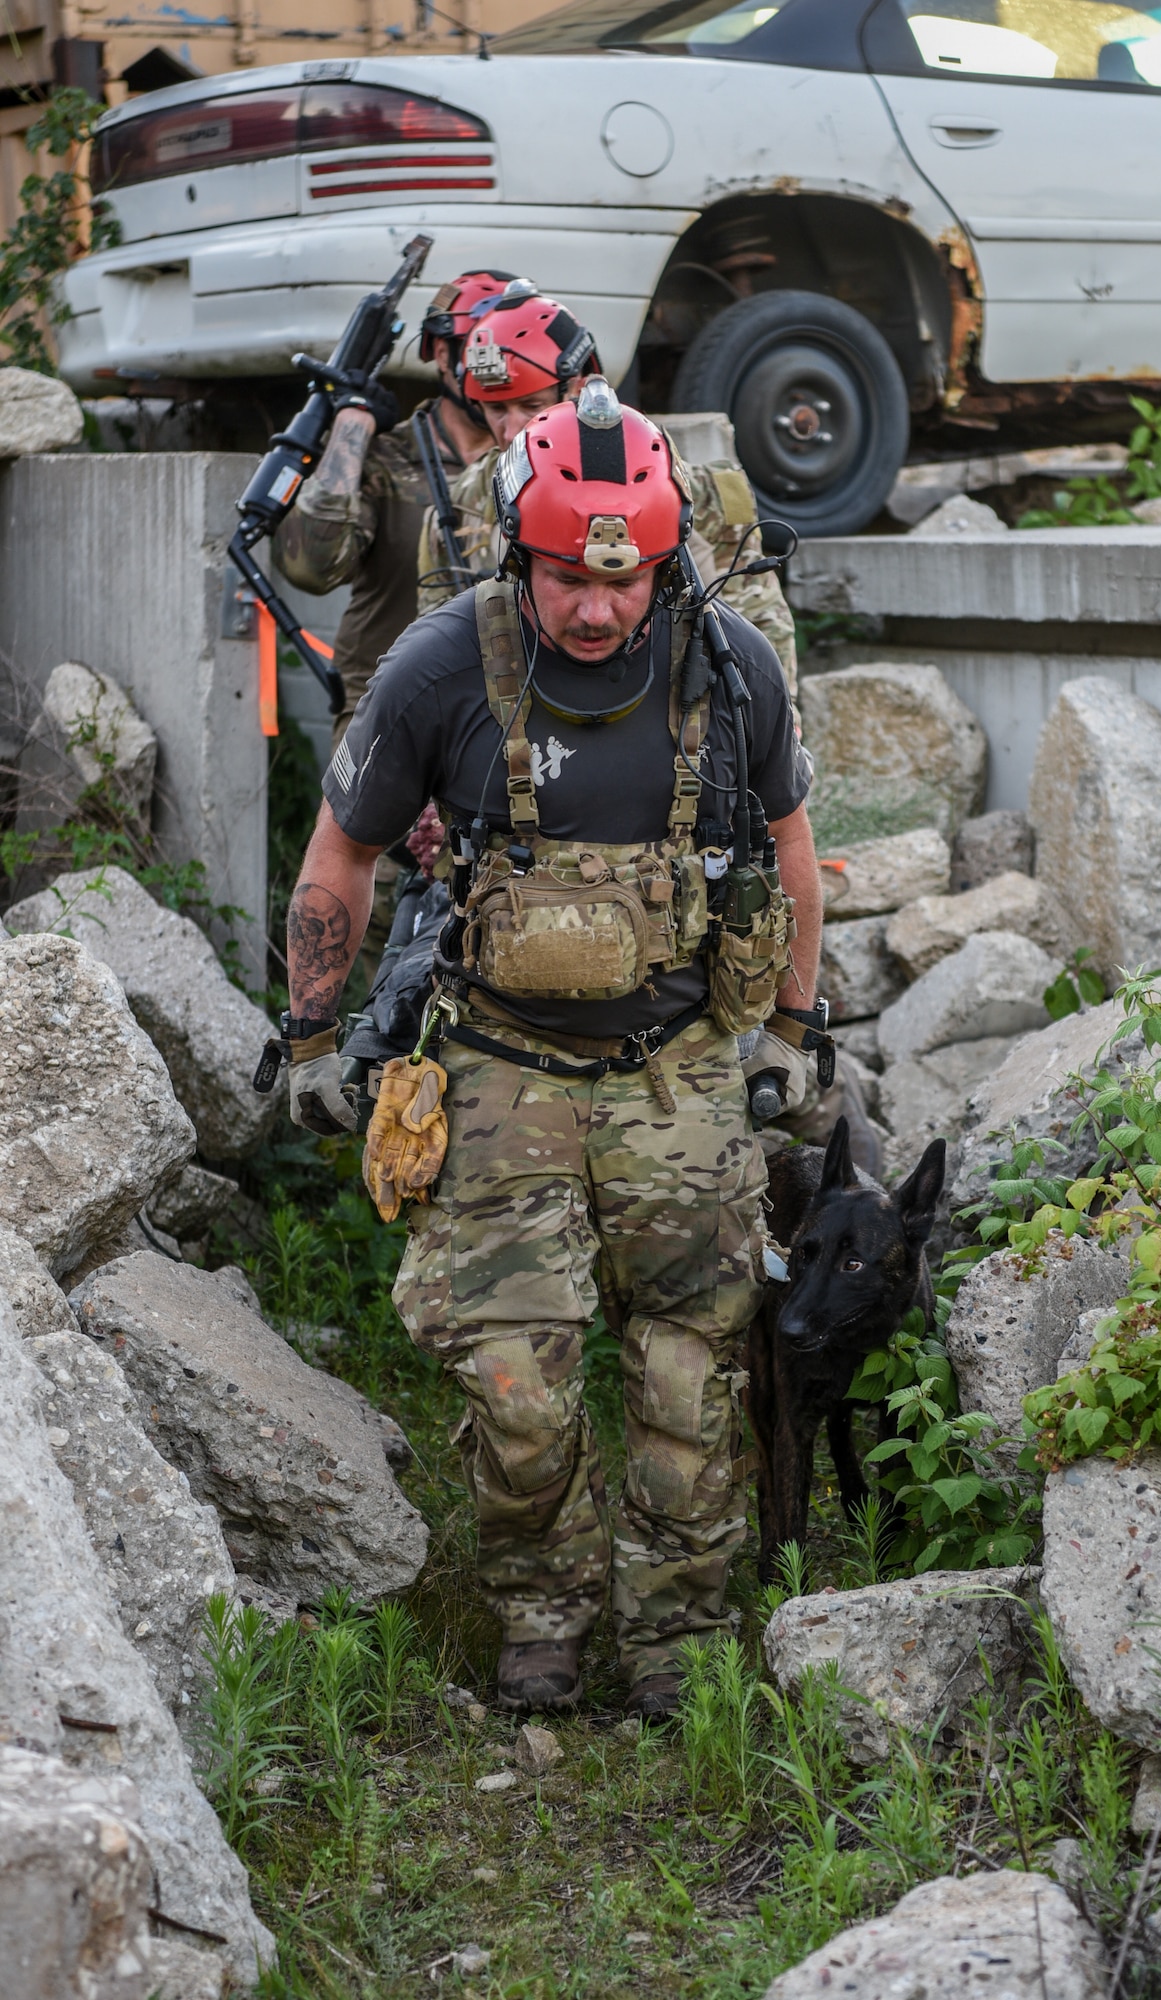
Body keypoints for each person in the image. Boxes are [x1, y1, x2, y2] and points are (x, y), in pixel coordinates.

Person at [279, 379, 822, 1720]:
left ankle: (677, 1630)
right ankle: (540, 1607)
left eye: (621, 582)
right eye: (564, 581)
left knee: (687, 1373)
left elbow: (798, 859)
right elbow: (340, 854)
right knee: (518, 1382)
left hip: (677, 1060)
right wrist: (306, 1035)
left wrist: (793, 1036)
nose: (592, 609)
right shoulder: (439, 666)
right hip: (499, 1064)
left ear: (661, 561)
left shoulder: (730, 668)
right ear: (515, 553)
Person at [271, 268, 521, 982]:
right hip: (395, 733)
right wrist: (352, 423)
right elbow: (310, 564)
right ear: (441, 356)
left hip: (511, 735)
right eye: (477, 346)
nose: (493, 364)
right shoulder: (389, 458)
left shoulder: (536, 457)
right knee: (368, 959)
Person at [417, 289, 800, 703]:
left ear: (578, 387)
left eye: (530, 405)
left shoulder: (671, 488)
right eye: (495, 409)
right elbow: (433, 646)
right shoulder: (462, 503)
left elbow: (757, 619)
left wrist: (781, 716)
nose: (510, 431)